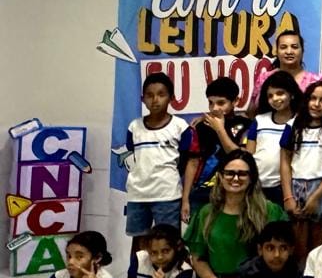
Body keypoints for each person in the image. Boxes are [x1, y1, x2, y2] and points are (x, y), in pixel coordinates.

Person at [280, 79, 322, 255]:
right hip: (297, 187)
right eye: (313, 98)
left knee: (321, 242)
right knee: (298, 244)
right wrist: (288, 196)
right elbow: (285, 161)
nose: (317, 104)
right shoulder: (292, 125)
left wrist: (316, 196)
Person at [123, 73, 189, 253]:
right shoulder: (134, 127)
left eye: (161, 94)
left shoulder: (180, 126)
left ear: (171, 98)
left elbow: (185, 160)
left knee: (168, 242)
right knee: (139, 244)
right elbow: (133, 152)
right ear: (142, 99)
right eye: (149, 95)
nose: (155, 100)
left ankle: (170, 273)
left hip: (167, 195)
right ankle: (136, 272)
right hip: (138, 195)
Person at [179, 76, 249, 223]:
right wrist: (185, 199)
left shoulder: (245, 125)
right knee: (199, 233)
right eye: (211, 103)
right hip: (200, 192)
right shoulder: (201, 126)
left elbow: (240, 157)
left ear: (235, 101)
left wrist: (219, 129)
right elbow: (193, 162)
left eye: (221, 103)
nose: (215, 108)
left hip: (233, 191)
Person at [244, 71, 301, 207]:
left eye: (280, 93)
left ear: (292, 94)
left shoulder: (300, 122)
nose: (275, 99)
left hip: (285, 188)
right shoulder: (259, 120)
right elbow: (249, 155)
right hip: (257, 186)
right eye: (270, 96)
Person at [248, 29, 322, 114]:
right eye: (283, 47)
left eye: (294, 47)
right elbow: (252, 111)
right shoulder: (264, 78)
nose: (289, 52)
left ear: (302, 51)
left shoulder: (314, 81)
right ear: (276, 52)